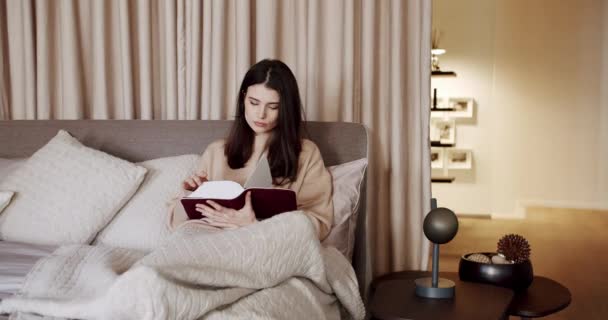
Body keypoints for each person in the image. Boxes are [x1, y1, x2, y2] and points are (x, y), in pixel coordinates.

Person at [168, 59, 334, 240]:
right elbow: (177, 225)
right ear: (243, 99)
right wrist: (191, 195)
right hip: (212, 241)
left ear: (286, 108)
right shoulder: (216, 151)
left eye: (273, 107)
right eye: (254, 103)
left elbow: (319, 223)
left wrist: (257, 225)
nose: (261, 114)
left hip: (266, 245)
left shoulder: (306, 153)